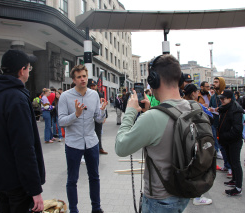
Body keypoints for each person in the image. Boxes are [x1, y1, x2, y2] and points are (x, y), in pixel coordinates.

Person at [115, 54, 190, 212]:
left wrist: (129, 112)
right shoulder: (193, 108)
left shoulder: (153, 118)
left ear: (154, 80)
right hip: (184, 192)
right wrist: (149, 112)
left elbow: (121, 147)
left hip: (160, 200)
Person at [0, 49, 45, 212]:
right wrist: (35, 190)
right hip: (18, 183)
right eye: (29, 68)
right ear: (22, 70)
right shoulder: (17, 99)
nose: (29, 72)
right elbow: (24, 148)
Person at [58, 64, 107, 213]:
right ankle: (73, 209)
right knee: (72, 179)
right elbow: (61, 121)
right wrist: (76, 114)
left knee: (94, 177)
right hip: (73, 143)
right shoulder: (66, 97)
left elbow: (98, 120)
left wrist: (102, 111)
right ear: (74, 79)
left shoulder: (94, 95)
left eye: (84, 76)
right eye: (79, 77)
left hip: (92, 142)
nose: (82, 79)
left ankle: (96, 208)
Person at [183, 84, 213, 205]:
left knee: (187, 166)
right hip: (196, 139)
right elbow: (210, 117)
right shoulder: (196, 105)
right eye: (197, 92)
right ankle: (196, 196)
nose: (198, 94)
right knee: (197, 168)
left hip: (184, 140)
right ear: (193, 93)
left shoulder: (180, 104)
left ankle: (187, 191)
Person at [217, 90, 244, 196]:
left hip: (234, 141)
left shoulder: (236, 110)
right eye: (220, 98)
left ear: (230, 99)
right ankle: (234, 180)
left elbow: (237, 129)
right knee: (231, 162)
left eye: (223, 98)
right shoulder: (225, 108)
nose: (221, 100)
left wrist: (223, 136)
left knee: (236, 163)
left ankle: (238, 187)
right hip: (227, 141)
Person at [209, 77, 232, 177]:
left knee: (228, 147)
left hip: (225, 125)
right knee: (221, 147)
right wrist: (211, 109)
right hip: (215, 124)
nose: (214, 84)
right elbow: (211, 107)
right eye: (214, 82)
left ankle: (231, 167)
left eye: (216, 82)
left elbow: (231, 107)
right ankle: (226, 165)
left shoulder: (227, 94)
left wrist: (219, 109)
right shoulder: (214, 96)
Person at [89, 80, 108, 154]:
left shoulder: (100, 94)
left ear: (96, 86)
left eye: (94, 86)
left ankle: (100, 148)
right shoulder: (88, 94)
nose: (93, 87)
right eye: (91, 86)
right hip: (91, 116)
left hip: (99, 115)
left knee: (98, 133)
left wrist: (105, 116)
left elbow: (104, 105)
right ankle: (92, 149)